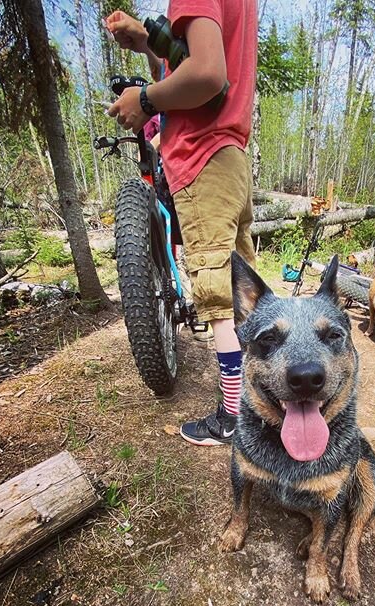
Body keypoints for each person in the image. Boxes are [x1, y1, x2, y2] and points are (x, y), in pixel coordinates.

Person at [105, 2, 258, 446]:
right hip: (229, 154)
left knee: (218, 298)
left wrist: (144, 99)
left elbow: (207, 76)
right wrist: (151, 46)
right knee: (243, 291)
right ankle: (258, 402)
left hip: (201, 157)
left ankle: (234, 419)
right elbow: (192, 64)